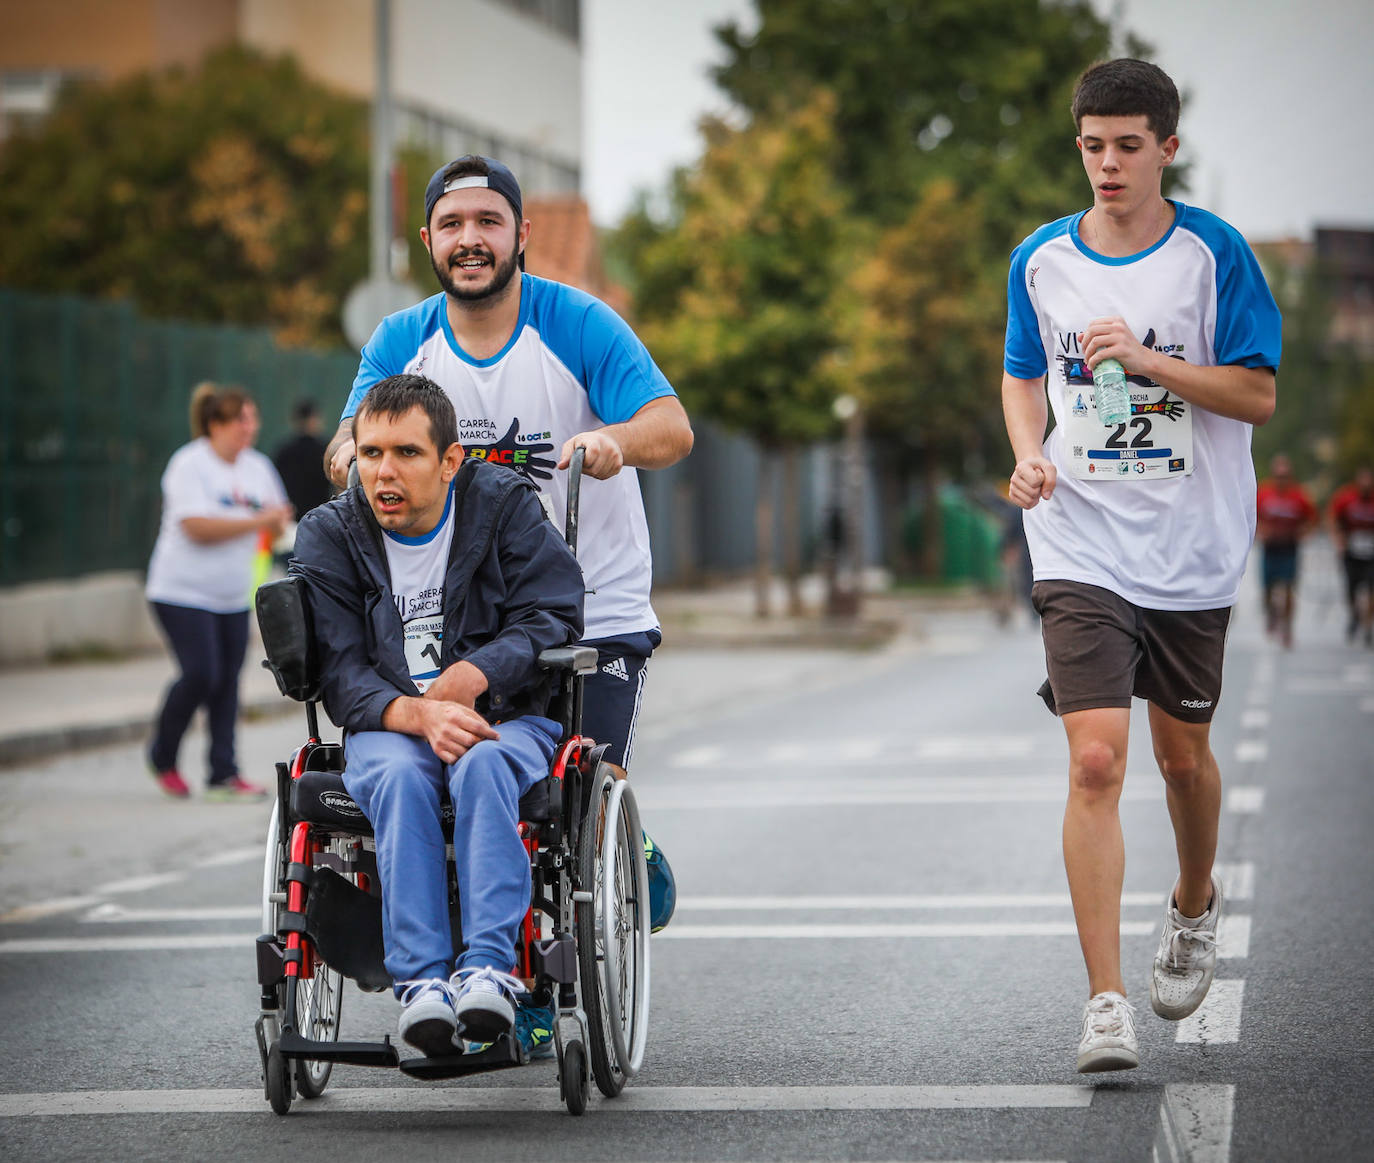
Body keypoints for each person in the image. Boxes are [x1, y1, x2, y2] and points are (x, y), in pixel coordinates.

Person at [324, 154, 692, 929]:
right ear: (427, 238)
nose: (470, 239)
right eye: (453, 224)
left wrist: (616, 441)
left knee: (575, 796)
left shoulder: (577, 323)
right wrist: (351, 460)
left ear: (520, 233)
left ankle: (618, 850)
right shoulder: (402, 339)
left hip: (590, 604)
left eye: (488, 222)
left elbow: (673, 426)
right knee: (465, 785)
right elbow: (347, 442)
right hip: (467, 619)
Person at [1000, 59, 1282, 1073]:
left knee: (1179, 760)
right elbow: (1023, 373)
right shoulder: (1041, 259)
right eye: (1092, 144)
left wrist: (1149, 361)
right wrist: (1030, 453)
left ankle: (1195, 899)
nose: (1108, 163)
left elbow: (1255, 397)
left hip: (1192, 543)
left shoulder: (1215, 255)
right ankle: (1105, 1000)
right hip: (1081, 538)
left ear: (1167, 147)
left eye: (1128, 145)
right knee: (1095, 759)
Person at [291, 374, 584, 1057]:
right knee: (396, 776)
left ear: (451, 460)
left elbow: (553, 614)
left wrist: (474, 675)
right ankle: (422, 985)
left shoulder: (503, 506)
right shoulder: (330, 533)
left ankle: (487, 970)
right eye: (370, 454)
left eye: (406, 453)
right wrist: (417, 714)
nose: (383, 471)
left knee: (482, 764)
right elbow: (339, 668)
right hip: (389, 725)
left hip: (505, 715)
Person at [145, 383, 292, 799]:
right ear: (215, 424)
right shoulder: (189, 465)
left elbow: (277, 521)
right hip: (180, 592)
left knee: (228, 681)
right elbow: (196, 526)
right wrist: (257, 520)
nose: (250, 427)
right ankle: (163, 754)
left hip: (232, 597)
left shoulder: (258, 467)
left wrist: (275, 522)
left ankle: (222, 774)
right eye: (240, 420)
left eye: (253, 418)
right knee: (201, 673)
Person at [1254, 453, 1317, 648]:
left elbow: (1312, 518)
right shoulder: (1264, 492)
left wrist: (1303, 532)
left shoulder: (1299, 495)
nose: (1281, 480)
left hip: (1289, 548)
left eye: (1285, 476)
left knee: (1289, 589)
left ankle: (1288, 628)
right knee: (1267, 590)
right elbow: (1251, 514)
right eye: (1278, 476)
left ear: (1290, 476)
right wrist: (1259, 532)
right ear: (1274, 475)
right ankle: (1272, 613)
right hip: (1270, 548)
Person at [1330, 465, 1374, 646]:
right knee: (1351, 590)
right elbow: (1333, 518)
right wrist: (1339, 539)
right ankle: (1355, 616)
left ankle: (1368, 626)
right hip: (1351, 551)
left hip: (1371, 554)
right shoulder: (1346, 498)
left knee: (1371, 590)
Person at [272, 398, 333, 519]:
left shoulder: (283, 451)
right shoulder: (325, 450)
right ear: (314, 419)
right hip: (320, 517)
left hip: (291, 519)